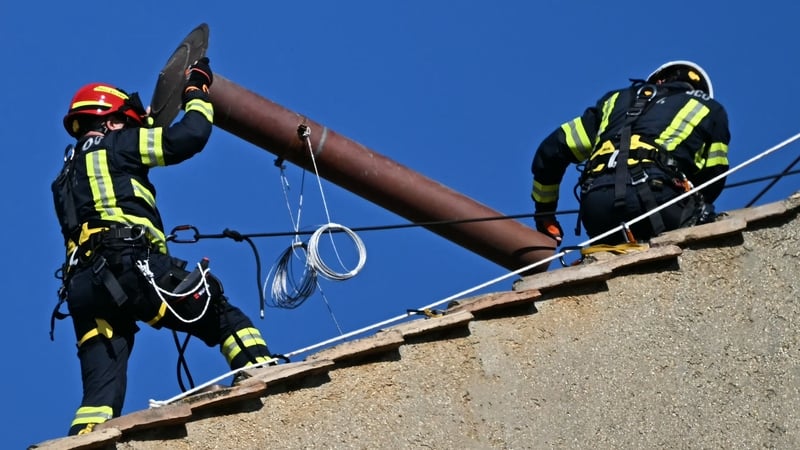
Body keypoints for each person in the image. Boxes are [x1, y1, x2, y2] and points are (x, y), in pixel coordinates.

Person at [52, 58, 273, 436]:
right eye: (130, 120)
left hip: (85, 290)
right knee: (218, 310)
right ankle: (268, 375)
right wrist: (196, 92)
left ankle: (86, 441)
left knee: (98, 396)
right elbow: (189, 136)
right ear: (111, 120)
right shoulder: (118, 145)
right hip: (128, 264)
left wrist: (147, 123)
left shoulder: (64, 177)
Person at [530, 60, 731, 245]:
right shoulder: (710, 108)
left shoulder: (615, 100)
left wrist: (544, 212)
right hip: (657, 199)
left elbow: (551, 150)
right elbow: (714, 174)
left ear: (657, 80)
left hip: (596, 204)